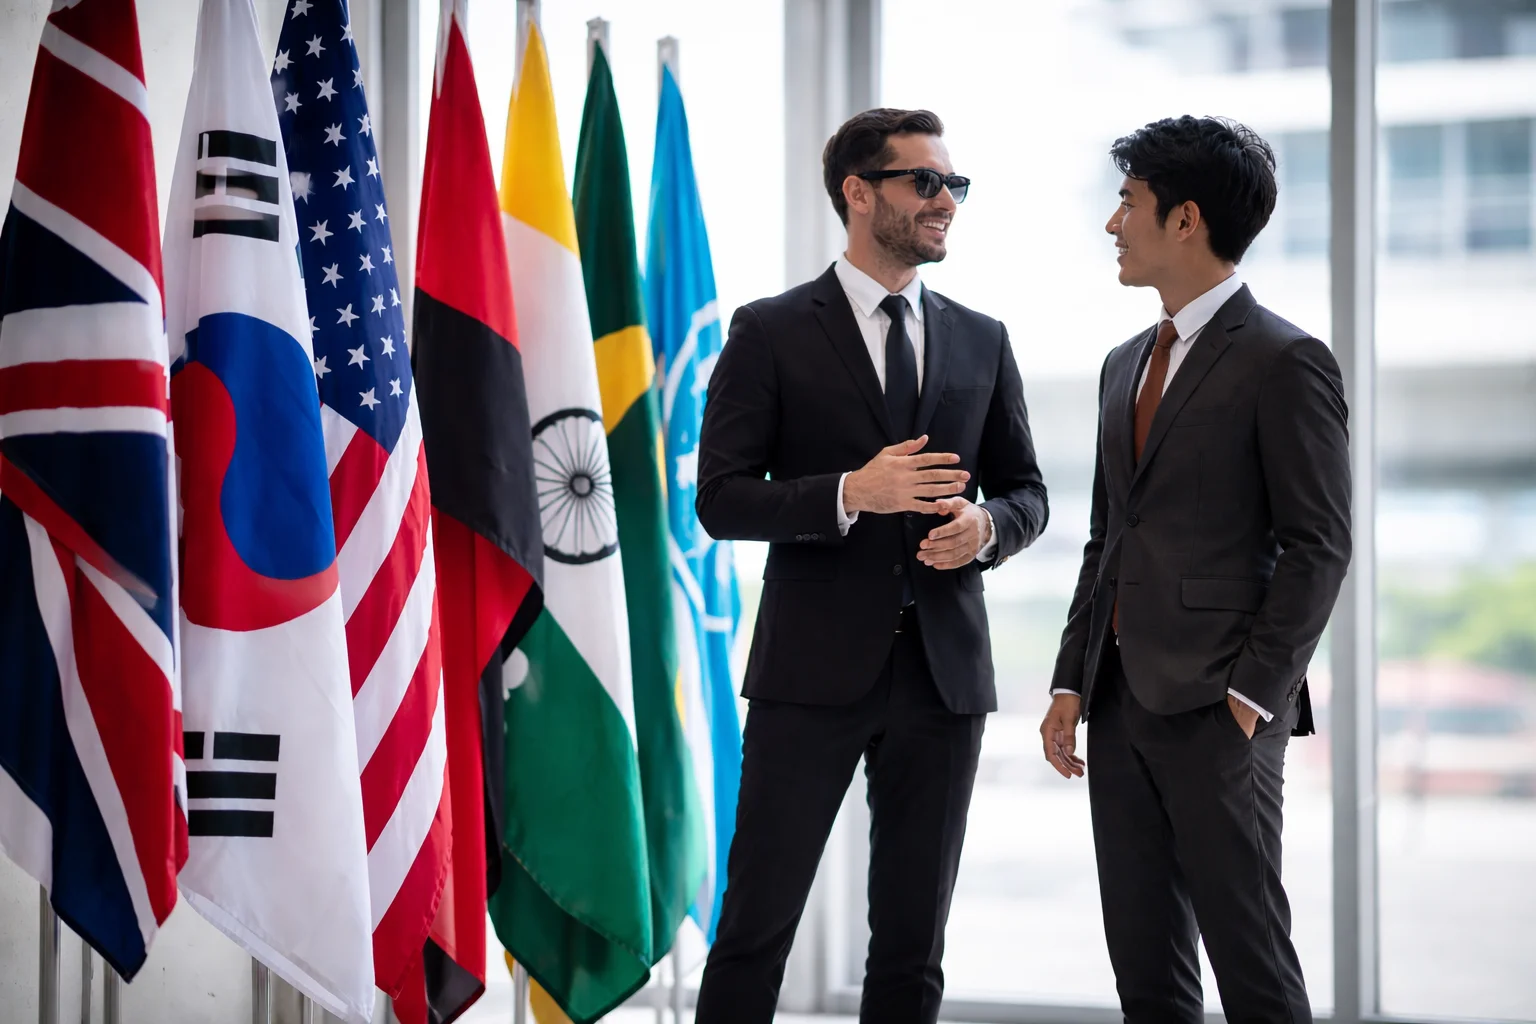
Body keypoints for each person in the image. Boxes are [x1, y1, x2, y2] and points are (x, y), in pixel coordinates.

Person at [693, 107, 1049, 1023]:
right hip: (809, 674)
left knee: (912, 948)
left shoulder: (983, 337)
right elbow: (721, 498)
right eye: (924, 182)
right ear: (859, 192)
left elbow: (1028, 492)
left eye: (953, 185)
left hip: (944, 677)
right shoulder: (769, 330)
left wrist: (989, 529)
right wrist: (851, 491)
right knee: (755, 928)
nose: (946, 202)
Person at [1041, 115, 1351, 1023]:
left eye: (1127, 204)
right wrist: (1071, 679)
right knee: (1146, 970)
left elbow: (1319, 544)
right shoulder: (1122, 363)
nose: (1112, 225)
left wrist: (1253, 695)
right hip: (1121, 701)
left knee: (1252, 963)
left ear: (1185, 219)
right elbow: (1110, 538)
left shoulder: (1287, 360)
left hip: (1222, 712)